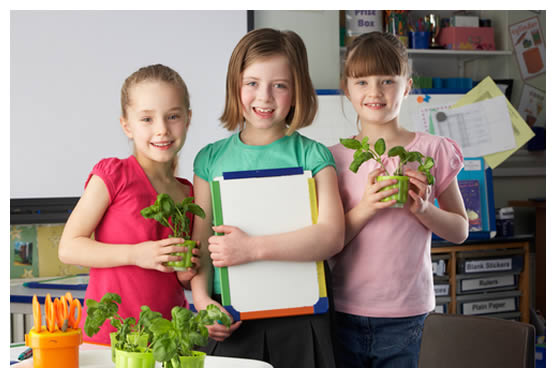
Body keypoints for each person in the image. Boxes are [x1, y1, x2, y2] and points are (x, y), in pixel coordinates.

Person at [190, 28, 345, 367]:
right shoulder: (209, 159)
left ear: (297, 90)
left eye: (280, 85)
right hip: (229, 317)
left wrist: (251, 248)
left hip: (302, 318)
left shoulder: (313, 155)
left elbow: (332, 236)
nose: (265, 97)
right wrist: (202, 300)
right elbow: (199, 243)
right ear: (235, 85)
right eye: (252, 83)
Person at [328, 31, 469, 368]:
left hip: (409, 316)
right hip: (342, 311)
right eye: (362, 81)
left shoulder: (433, 149)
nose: (374, 91)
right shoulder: (333, 159)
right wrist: (366, 207)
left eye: (387, 80)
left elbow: (460, 229)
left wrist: (422, 208)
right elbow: (328, 244)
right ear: (346, 88)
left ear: (406, 86)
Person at [59, 64, 200, 345]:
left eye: (172, 116)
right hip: (109, 339)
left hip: (167, 339)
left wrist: (187, 275)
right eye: (146, 119)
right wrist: (137, 254)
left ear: (187, 119)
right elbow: (69, 247)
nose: (162, 129)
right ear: (127, 125)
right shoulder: (113, 175)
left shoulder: (188, 193)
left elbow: (181, 277)